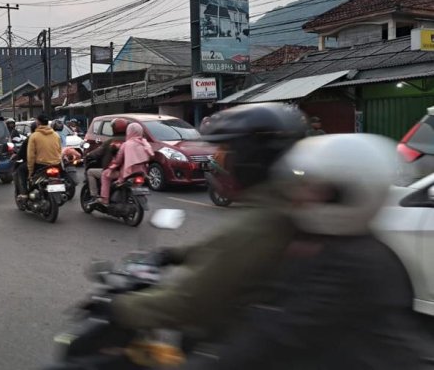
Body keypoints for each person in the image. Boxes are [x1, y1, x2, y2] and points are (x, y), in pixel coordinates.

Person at [192, 134, 434, 369]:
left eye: (313, 188)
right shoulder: (329, 243)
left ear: (343, 195)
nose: (298, 196)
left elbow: (278, 334)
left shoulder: (353, 262)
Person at [107, 104, 308, 338]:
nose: (219, 160)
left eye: (227, 152)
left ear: (249, 158)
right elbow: (222, 249)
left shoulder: (264, 223)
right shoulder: (285, 206)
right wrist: (172, 254)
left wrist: (116, 307)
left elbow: (187, 302)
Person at [98, 122, 153, 205]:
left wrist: (111, 167)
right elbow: (150, 157)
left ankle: (105, 198)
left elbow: (118, 160)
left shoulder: (126, 144)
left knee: (105, 175)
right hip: (142, 172)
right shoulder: (144, 143)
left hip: (127, 173)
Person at [85, 118, 127, 201]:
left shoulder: (110, 142)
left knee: (91, 172)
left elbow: (97, 152)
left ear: (114, 129)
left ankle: (96, 196)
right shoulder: (131, 141)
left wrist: (88, 154)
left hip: (116, 171)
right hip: (130, 172)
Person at [27, 114, 62, 179]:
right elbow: (60, 151)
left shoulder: (34, 136)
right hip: (56, 164)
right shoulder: (56, 135)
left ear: (38, 122)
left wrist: (30, 171)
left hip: (41, 165)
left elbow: (31, 156)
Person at [13, 121, 37, 197]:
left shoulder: (32, 138)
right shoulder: (53, 135)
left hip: (38, 162)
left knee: (20, 170)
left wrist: (17, 156)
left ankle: (24, 193)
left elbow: (22, 152)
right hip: (53, 162)